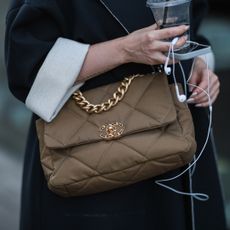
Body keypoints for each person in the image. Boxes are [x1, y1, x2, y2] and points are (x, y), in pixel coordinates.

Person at [4, 0, 227, 229]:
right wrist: (125, 49)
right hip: (93, 154)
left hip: (179, 141)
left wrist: (198, 63)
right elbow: (28, 64)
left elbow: (189, 25)